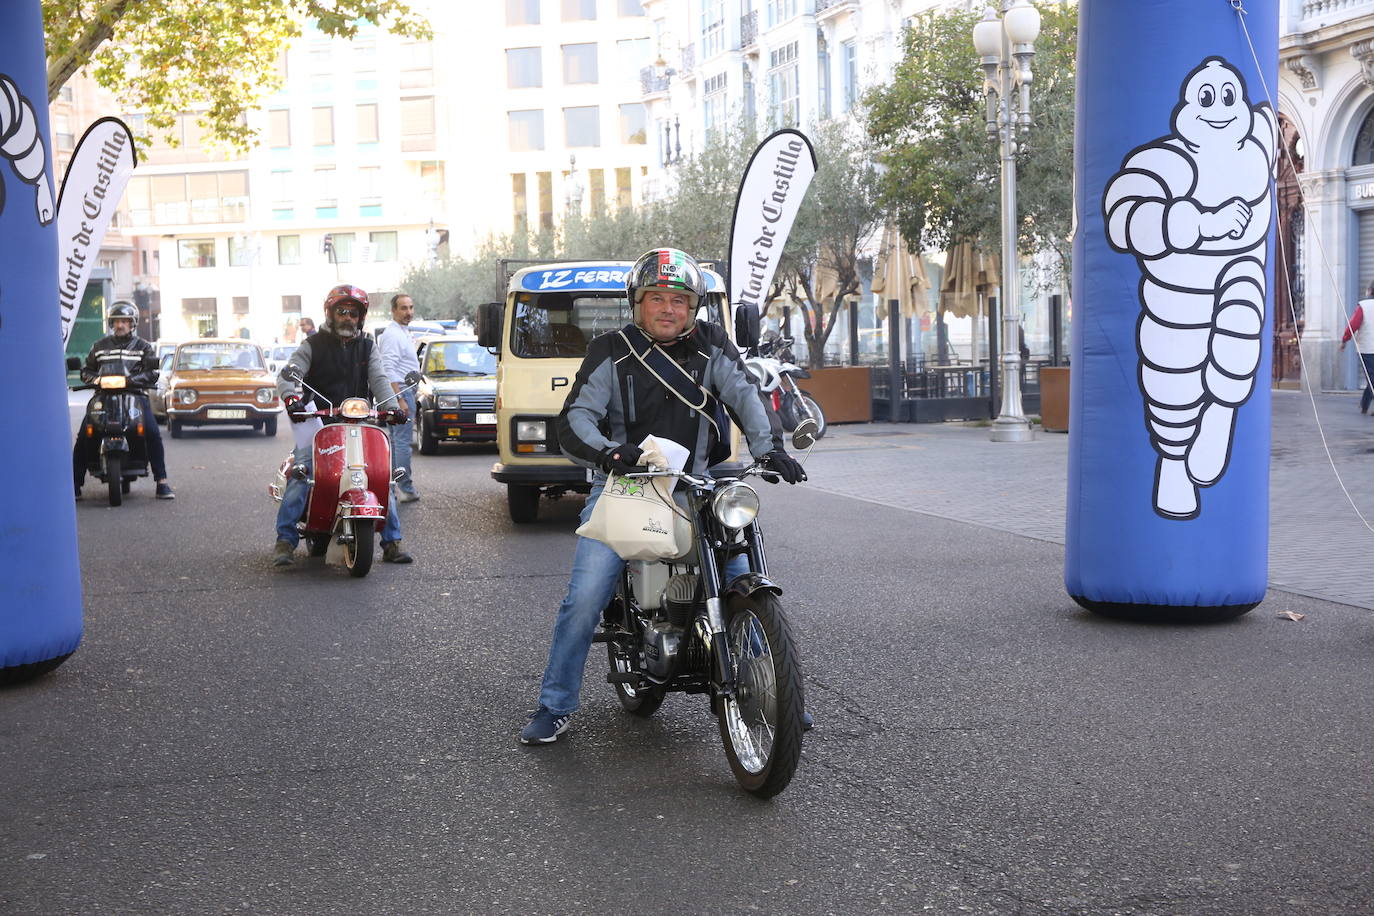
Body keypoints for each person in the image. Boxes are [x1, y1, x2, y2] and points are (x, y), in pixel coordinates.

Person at [519, 248, 808, 745]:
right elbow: (575, 419)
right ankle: (555, 704)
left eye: (680, 299)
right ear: (638, 302)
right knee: (584, 597)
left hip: (696, 483)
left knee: (743, 575)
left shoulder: (712, 344)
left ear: (694, 306)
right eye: (657, 298)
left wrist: (770, 448)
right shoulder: (612, 350)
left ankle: (778, 694)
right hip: (627, 484)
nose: (669, 308)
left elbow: (743, 396)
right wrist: (610, 453)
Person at [272, 284, 414, 567]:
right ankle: (285, 541)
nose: (347, 318)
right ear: (331, 313)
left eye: (353, 313)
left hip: (359, 424)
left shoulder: (368, 346)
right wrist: (291, 399)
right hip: (318, 423)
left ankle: (392, 543)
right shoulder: (312, 345)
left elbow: (380, 381)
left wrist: (393, 408)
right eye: (342, 311)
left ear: (361, 317)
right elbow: (290, 374)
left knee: (382, 478)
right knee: (303, 473)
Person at [73, 301, 175, 500]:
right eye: (116, 321)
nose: (120, 325)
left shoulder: (143, 346)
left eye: (125, 321)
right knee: (84, 435)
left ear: (133, 323)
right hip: (103, 397)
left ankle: (162, 482)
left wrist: (129, 380)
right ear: (111, 323)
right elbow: (87, 370)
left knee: (153, 432)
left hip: (135, 396)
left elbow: (151, 373)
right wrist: (95, 379)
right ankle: (75, 485)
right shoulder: (99, 346)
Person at [378, 293, 421, 502]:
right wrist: (400, 400)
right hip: (402, 391)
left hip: (405, 390)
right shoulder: (392, 335)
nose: (409, 312)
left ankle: (396, 487)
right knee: (402, 442)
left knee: (397, 442)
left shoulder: (402, 332)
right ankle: (405, 488)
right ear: (393, 310)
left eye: (411, 307)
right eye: (403, 308)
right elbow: (388, 369)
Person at [1339, 282, 1374, 414]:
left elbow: (1353, 325)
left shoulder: (1364, 306)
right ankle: (1364, 404)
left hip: (1368, 347)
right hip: (1369, 347)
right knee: (1372, 377)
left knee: (1372, 377)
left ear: (1370, 291)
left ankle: (1364, 404)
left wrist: (1344, 340)